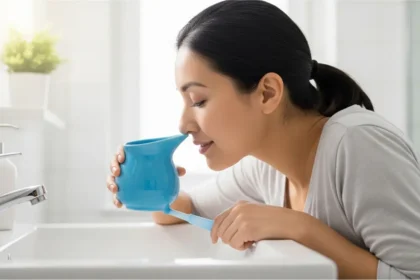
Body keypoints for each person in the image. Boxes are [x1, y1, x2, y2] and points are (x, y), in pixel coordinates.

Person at [106, 0, 420, 279]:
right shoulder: (266, 168)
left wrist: (298, 228)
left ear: (268, 93)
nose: (184, 124)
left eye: (198, 100)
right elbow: (180, 211)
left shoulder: (358, 146)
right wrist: (151, 185)